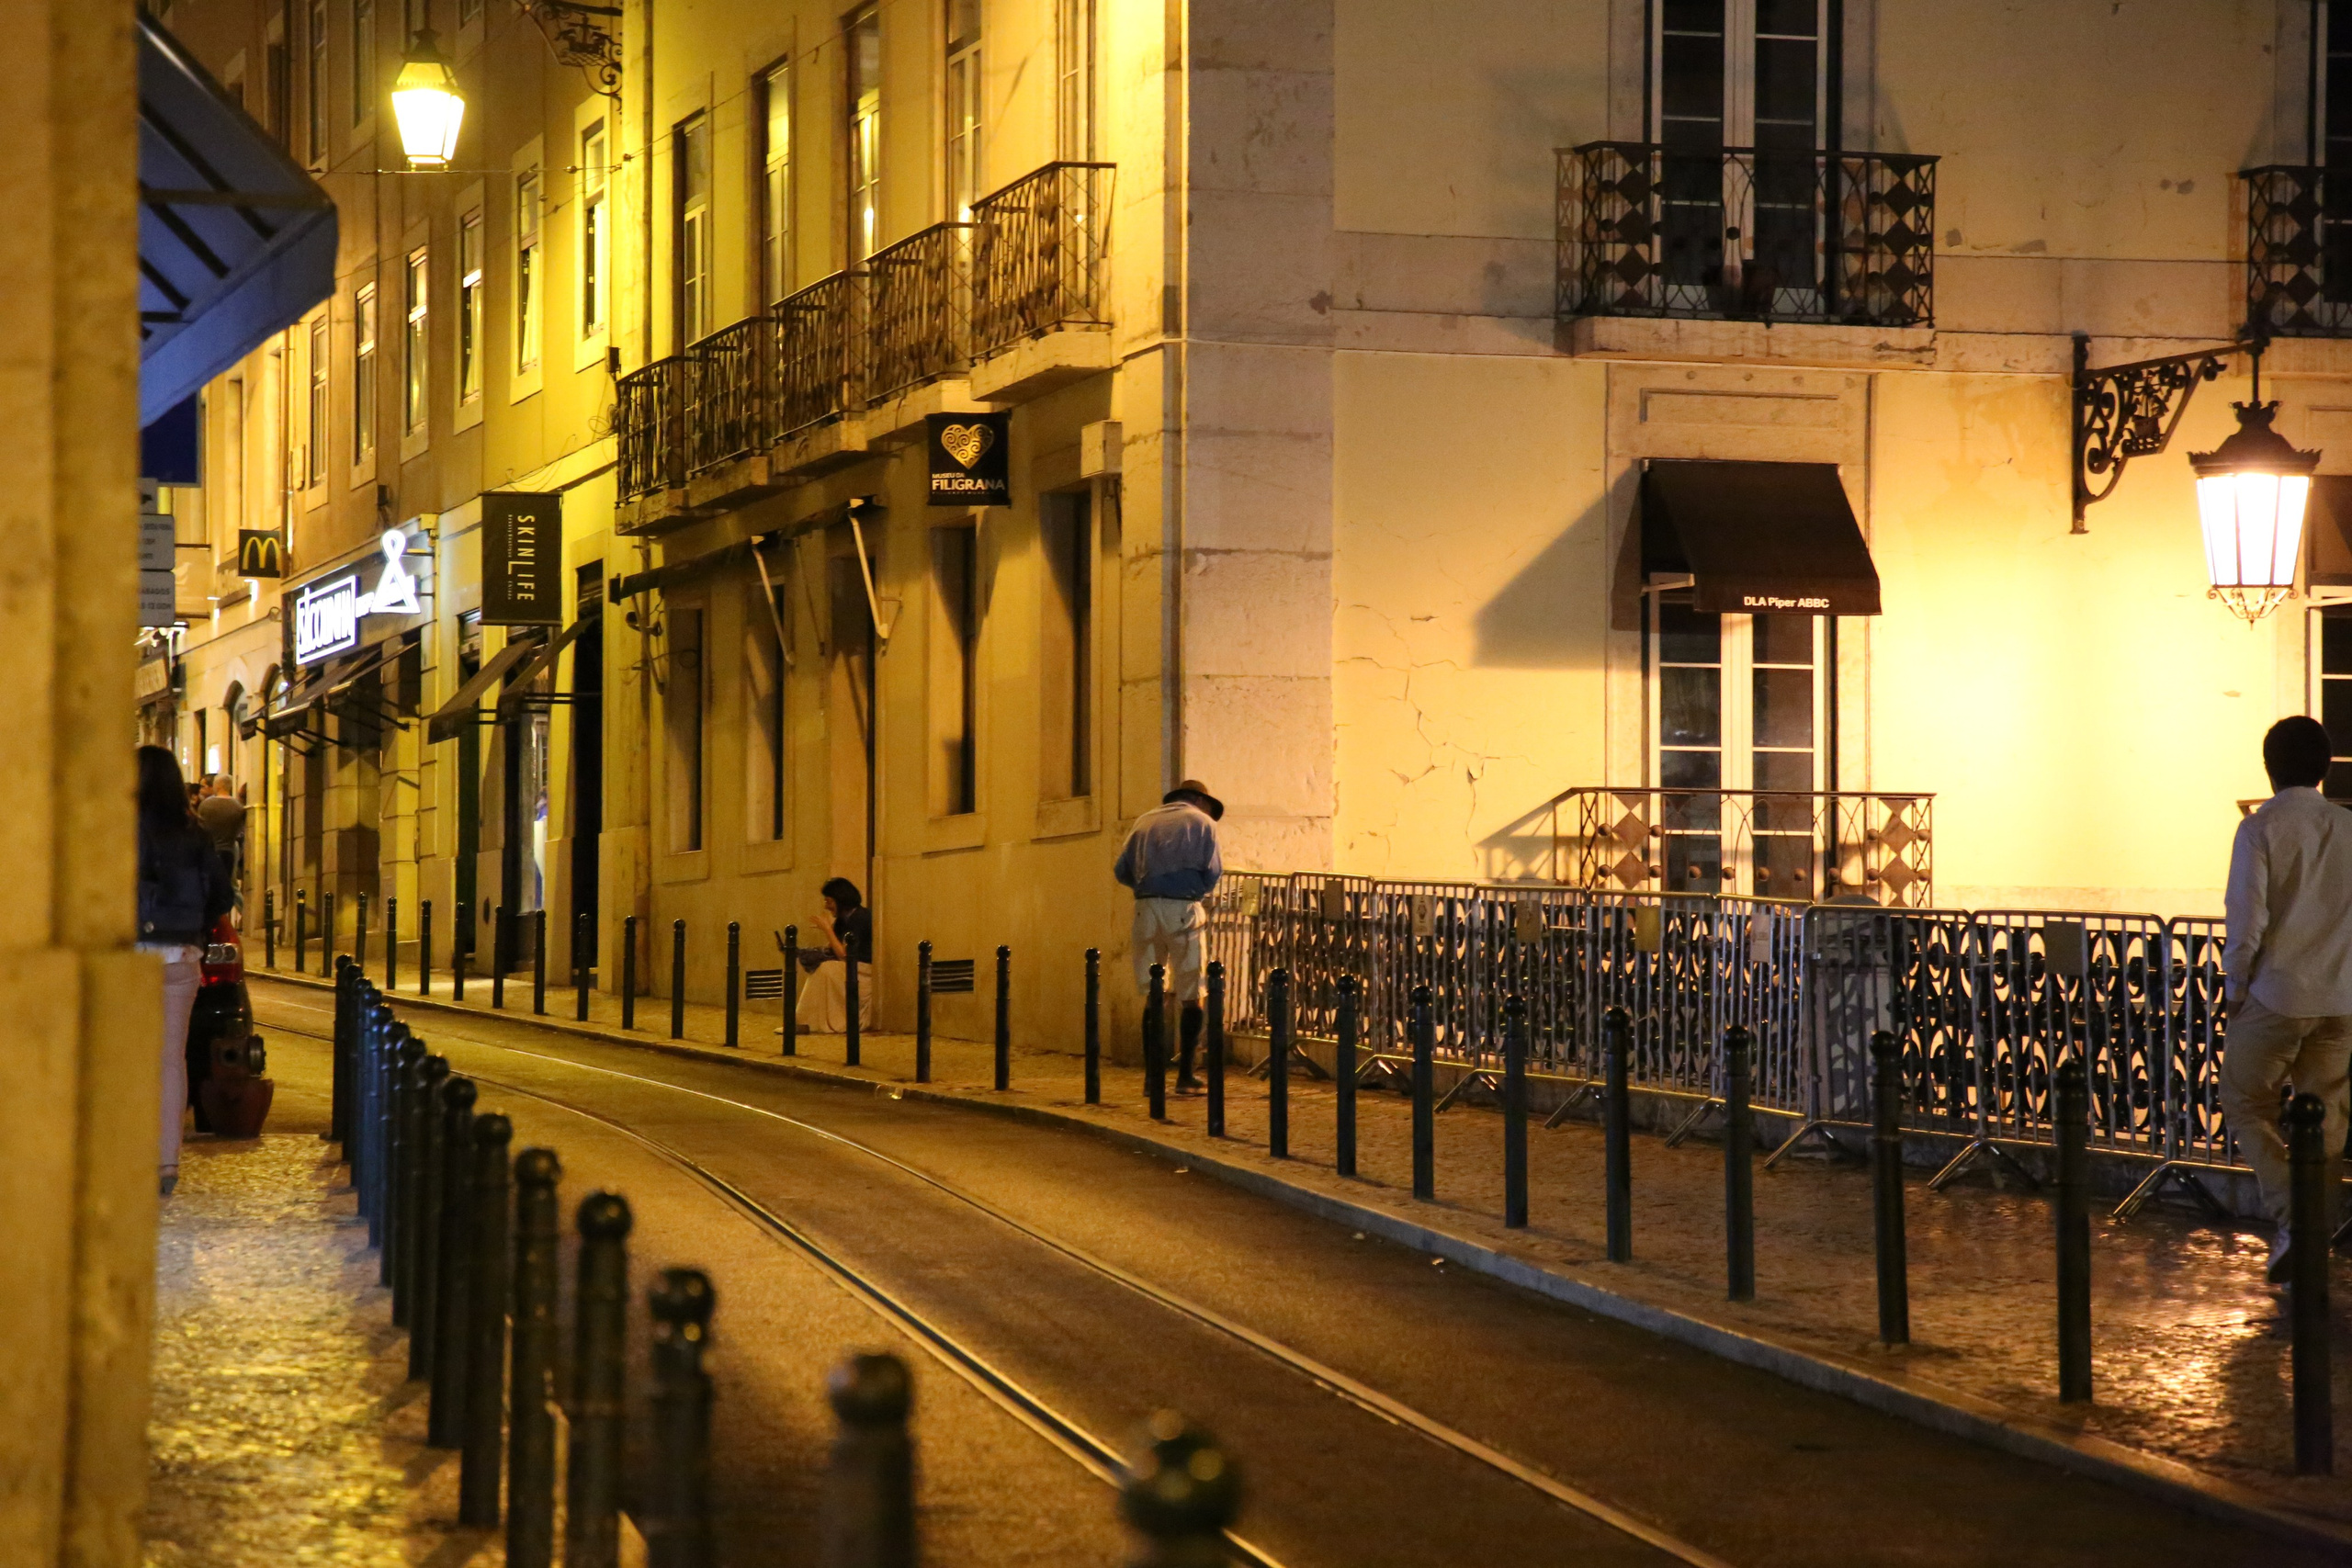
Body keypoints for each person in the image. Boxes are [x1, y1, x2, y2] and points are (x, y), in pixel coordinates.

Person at [2222, 715, 2352, 1282]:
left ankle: (2293, 1219)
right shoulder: (2347, 828)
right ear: (2324, 769)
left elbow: (2247, 919)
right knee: (2324, 1119)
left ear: (2269, 767)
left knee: (2245, 1101)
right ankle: (2312, 1235)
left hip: (2277, 993)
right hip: (2341, 997)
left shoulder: (2259, 829)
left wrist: (2234, 984)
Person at [138, 745, 232, 1197]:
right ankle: (167, 1161)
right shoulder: (194, 831)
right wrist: (195, 926)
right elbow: (221, 894)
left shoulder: (117, 827)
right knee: (170, 1060)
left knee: (124, 1057)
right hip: (181, 955)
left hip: (130, 955)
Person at [1114, 779, 1224, 1090]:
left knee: (1154, 994)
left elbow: (1122, 871)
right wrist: (1192, 892)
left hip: (1145, 910)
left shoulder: (1144, 821)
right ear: (1201, 802)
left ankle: (1152, 1078)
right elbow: (1213, 872)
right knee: (1192, 994)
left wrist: (1147, 888)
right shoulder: (1203, 823)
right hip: (1183, 910)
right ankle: (1185, 1074)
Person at [799, 875, 876, 1034]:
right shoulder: (842, 920)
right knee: (820, 969)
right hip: (850, 967)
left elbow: (845, 955)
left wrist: (827, 929)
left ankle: (811, 1021)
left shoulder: (862, 917)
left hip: (864, 971)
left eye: (829, 901)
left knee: (827, 970)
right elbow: (834, 948)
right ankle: (804, 1020)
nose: (827, 906)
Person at [195, 773, 245, 891]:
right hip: (229, 850)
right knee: (228, 886)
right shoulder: (238, 807)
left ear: (217, 786)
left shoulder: (206, 805)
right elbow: (240, 829)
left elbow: (200, 827)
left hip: (211, 850)